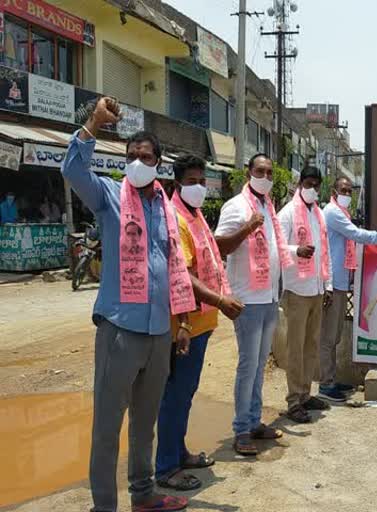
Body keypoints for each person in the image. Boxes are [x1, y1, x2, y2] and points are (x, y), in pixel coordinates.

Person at [62, 97, 196, 512]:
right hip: (120, 330)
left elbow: (174, 266)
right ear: (125, 160)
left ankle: (143, 494)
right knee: (107, 425)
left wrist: (184, 322)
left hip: (159, 333)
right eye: (133, 156)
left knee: (145, 424)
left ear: (158, 163)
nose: (140, 161)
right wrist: (93, 124)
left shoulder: (167, 210)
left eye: (147, 156)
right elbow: (72, 170)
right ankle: (104, 505)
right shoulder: (109, 197)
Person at [154, 154, 245, 489]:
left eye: (202, 181)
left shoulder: (195, 215)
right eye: (191, 181)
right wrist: (220, 300)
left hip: (201, 321)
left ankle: (178, 452)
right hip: (184, 324)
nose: (198, 187)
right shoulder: (176, 217)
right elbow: (182, 274)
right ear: (177, 183)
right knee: (175, 395)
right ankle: (165, 468)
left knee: (185, 392)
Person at [215, 153, 293, 454]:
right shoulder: (236, 207)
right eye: (260, 171)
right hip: (247, 299)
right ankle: (241, 429)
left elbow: (276, 247)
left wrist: (296, 252)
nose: (265, 176)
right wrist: (247, 227)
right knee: (248, 366)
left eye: (270, 172)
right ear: (249, 173)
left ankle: (254, 420)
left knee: (260, 365)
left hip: (270, 296)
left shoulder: (268, 208)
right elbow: (220, 244)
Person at [319, 177, 377, 402]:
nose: (346, 193)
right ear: (334, 191)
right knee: (328, 337)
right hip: (333, 284)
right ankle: (326, 384)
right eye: (343, 189)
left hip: (342, 283)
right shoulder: (332, 212)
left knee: (334, 336)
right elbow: (356, 235)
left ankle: (330, 379)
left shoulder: (341, 213)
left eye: (349, 190)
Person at [277, 166, 333, 423]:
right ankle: (293, 400)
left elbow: (325, 252)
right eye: (308, 184)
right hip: (296, 289)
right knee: (295, 347)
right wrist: (295, 250)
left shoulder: (319, 214)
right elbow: (276, 244)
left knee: (311, 345)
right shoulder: (288, 212)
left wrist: (328, 285)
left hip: (316, 289)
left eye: (316, 185)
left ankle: (305, 394)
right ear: (300, 184)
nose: (312, 190)